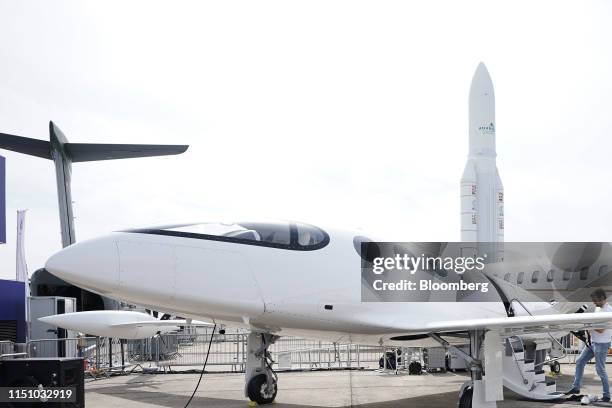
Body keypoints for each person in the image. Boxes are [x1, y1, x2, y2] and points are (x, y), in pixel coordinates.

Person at [566, 288, 612, 401]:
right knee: (580, 361)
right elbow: (595, 325)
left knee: (600, 370)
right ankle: (576, 388)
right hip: (594, 343)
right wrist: (587, 325)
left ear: (602, 299)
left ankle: (606, 396)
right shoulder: (598, 308)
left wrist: (586, 324)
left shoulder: (609, 311)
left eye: (595, 300)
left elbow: (601, 329)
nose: (593, 302)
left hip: (602, 345)